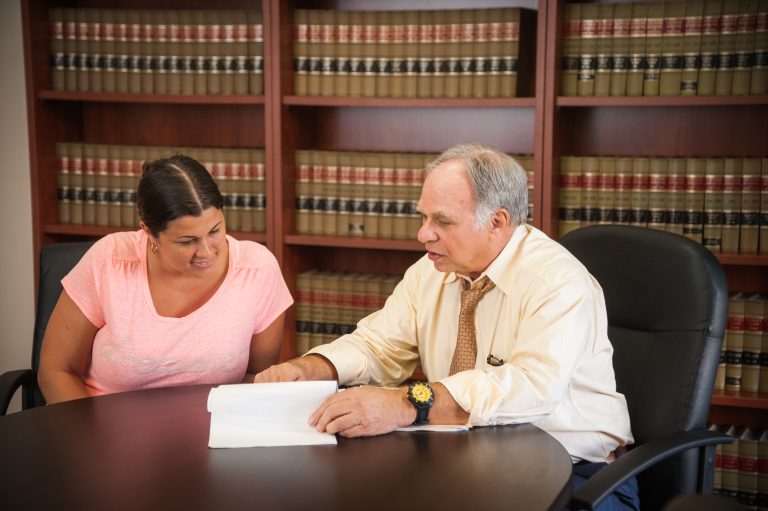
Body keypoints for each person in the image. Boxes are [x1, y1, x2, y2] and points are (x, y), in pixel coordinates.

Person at [255, 144, 638, 509]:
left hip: (575, 469)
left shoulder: (556, 281)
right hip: (471, 459)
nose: (424, 234)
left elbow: (532, 388)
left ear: (497, 222)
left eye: (442, 221)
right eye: (423, 217)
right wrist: (308, 368)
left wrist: (406, 403)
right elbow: (379, 344)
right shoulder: (431, 271)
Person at [39, 154, 293, 403]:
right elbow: (56, 372)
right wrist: (91, 441)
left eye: (215, 231)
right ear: (149, 232)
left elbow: (256, 379)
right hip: (109, 432)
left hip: (213, 434)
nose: (206, 252)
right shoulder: (110, 261)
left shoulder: (257, 270)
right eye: (187, 241)